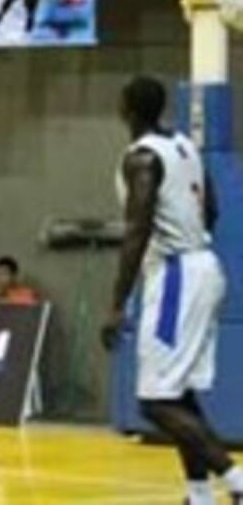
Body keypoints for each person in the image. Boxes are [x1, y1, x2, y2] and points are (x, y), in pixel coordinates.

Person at [101, 77, 243, 505]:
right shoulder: (185, 146)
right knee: (177, 393)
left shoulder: (142, 158)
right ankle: (199, 495)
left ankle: (237, 481)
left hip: (177, 276)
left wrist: (117, 303)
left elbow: (137, 229)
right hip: (203, 265)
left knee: (154, 401)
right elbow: (212, 208)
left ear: (126, 108)